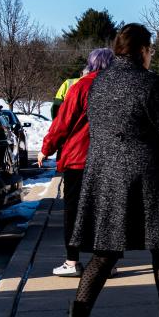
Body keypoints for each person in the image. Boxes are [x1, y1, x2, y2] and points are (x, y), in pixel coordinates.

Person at [62, 24, 159, 317]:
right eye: (150, 49)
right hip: (149, 178)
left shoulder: (98, 84)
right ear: (142, 49)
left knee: (103, 253)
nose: (151, 55)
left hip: (108, 178)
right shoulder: (150, 83)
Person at [38, 48, 114, 278]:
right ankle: (106, 262)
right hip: (109, 161)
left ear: (91, 64)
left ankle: (72, 262)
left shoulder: (79, 87)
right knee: (105, 212)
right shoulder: (117, 89)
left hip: (78, 160)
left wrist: (46, 149)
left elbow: (62, 123)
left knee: (74, 212)